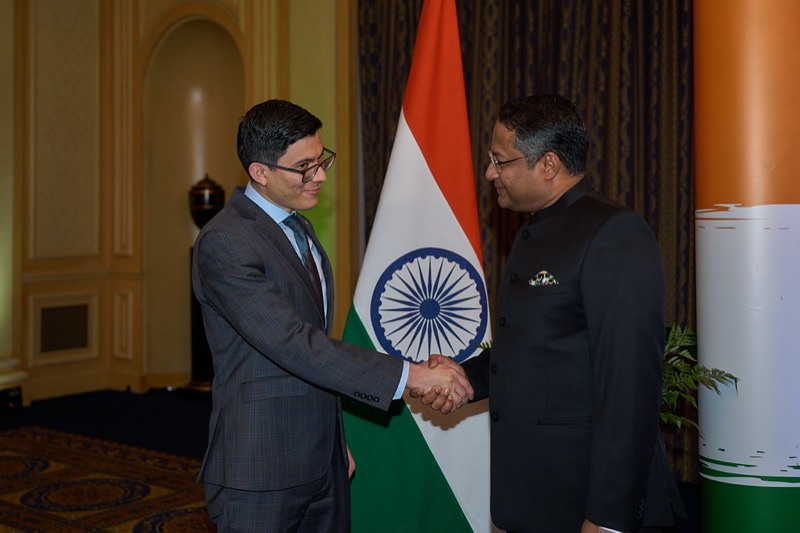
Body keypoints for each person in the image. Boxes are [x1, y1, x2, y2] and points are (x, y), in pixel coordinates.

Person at [191, 99, 472, 531]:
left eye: (321, 160)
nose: (320, 176)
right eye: (304, 167)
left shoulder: (299, 226)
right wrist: (410, 375)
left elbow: (315, 349)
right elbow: (294, 344)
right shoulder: (225, 242)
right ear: (260, 172)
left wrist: (333, 442)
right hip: (261, 469)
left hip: (323, 463)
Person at [418, 94, 685, 532]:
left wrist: (608, 518)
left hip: (584, 502)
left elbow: (630, 386)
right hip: (532, 498)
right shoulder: (533, 231)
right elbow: (536, 349)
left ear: (548, 164)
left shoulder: (613, 234)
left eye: (500, 161)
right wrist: (464, 378)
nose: (489, 173)